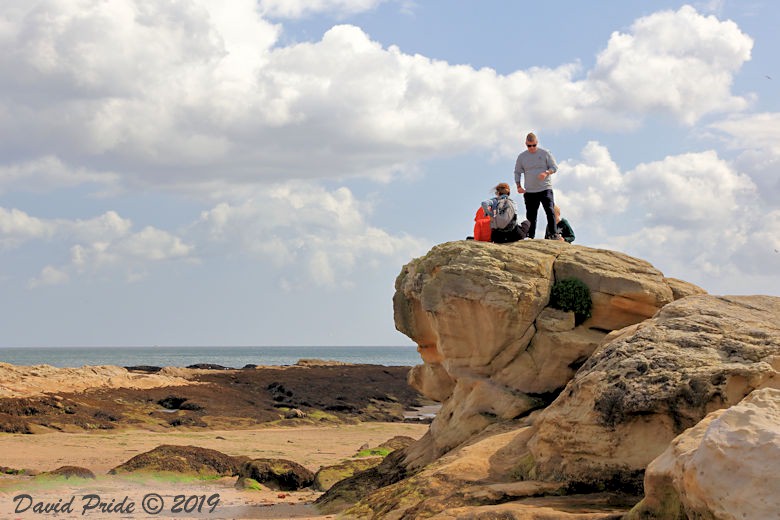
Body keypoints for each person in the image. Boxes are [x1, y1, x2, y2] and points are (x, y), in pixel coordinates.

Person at [514, 132, 560, 240]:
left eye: (534, 145)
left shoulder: (545, 153)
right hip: (530, 191)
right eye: (529, 146)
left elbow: (554, 167)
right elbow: (517, 172)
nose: (532, 148)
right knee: (531, 215)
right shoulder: (522, 157)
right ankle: (530, 236)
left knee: (550, 211)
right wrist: (518, 186)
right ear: (526, 144)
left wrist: (546, 172)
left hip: (545, 188)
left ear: (537, 143)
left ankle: (553, 234)